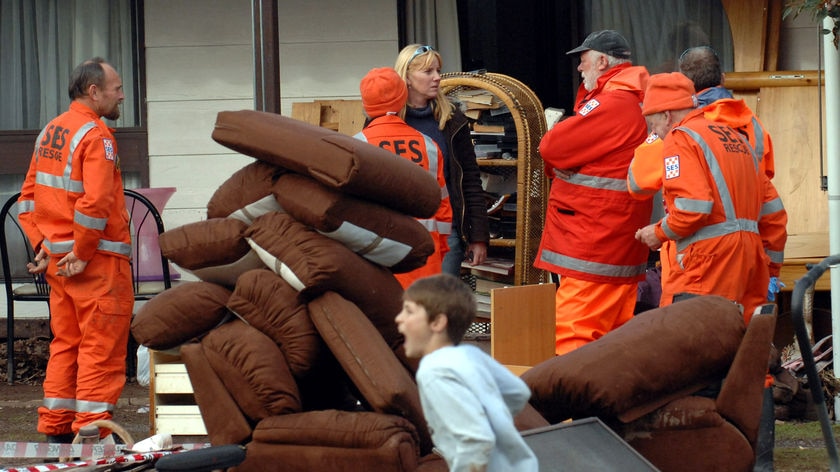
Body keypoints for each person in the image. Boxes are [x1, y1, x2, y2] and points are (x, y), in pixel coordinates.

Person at [17, 57, 134, 443]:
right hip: (96, 264)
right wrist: (82, 253)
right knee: (100, 346)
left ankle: (57, 428)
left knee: (67, 344)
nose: (122, 94)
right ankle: (93, 430)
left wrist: (42, 245)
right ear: (94, 91)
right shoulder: (97, 137)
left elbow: (29, 200)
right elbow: (95, 203)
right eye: (116, 88)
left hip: (59, 265)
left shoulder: (52, 131)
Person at [628, 46, 787, 304]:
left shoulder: (680, 139)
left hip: (704, 265)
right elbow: (773, 213)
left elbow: (692, 208)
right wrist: (770, 271)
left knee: (693, 340)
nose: (654, 132)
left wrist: (656, 233)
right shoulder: (738, 136)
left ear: (667, 115)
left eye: (653, 124)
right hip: (750, 263)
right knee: (740, 341)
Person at [535, 30, 653, 356]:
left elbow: (551, 147)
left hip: (591, 242)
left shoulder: (612, 102)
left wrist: (561, 164)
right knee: (612, 350)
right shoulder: (638, 101)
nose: (578, 68)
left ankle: (573, 409)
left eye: (583, 60)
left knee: (575, 343)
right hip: (616, 242)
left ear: (602, 61)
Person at [395, 273, 538, 472]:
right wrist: (497, 421)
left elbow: (475, 441)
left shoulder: (433, 371)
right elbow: (518, 392)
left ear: (437, 322)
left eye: (409, 311)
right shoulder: (471, 354)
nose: (399, 318)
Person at [394, 44, 489, 278]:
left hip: (447, 235)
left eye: (438, 70)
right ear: (406, 77)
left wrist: (478, 237)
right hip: (398, 232)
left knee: (441, 306)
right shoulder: (386, 120)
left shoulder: (453, 119)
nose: (437, 78)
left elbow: (470, 179)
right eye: (428, 72)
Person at [354, 67, 452, 288]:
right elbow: (443, 207)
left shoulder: (355, 147)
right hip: (424, 262)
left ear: (365, 106)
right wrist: (440, 250)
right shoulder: (429, 145)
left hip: (376, 263)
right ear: (402, 100)